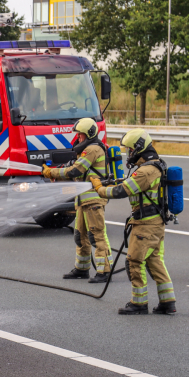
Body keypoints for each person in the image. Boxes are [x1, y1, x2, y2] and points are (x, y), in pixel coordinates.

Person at [91, 129, 176, 315]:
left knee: (134, 262)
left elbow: (122, 191)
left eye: (130, 150)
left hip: (145, 225)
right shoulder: (155, 166)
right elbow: (131, 183)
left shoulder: (145, 172)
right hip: (154, 223)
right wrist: (112, 181)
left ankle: (139, 303)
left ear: (139, 148)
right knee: (154, 262)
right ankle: (168, 302)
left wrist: (99, 188)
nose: (129, 154)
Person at [42, 118, 112, 283]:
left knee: (97, 236)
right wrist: (57, 176)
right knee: (80, 236)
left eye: (80, 135)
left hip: (93, 201)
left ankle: (104, 271)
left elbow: (76, 170)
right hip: (83, 201)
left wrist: (51, 173)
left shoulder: (93, 149)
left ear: (88, 135)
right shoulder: (85, 151)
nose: (78, 138)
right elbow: (78, 174)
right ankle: (82, 269)